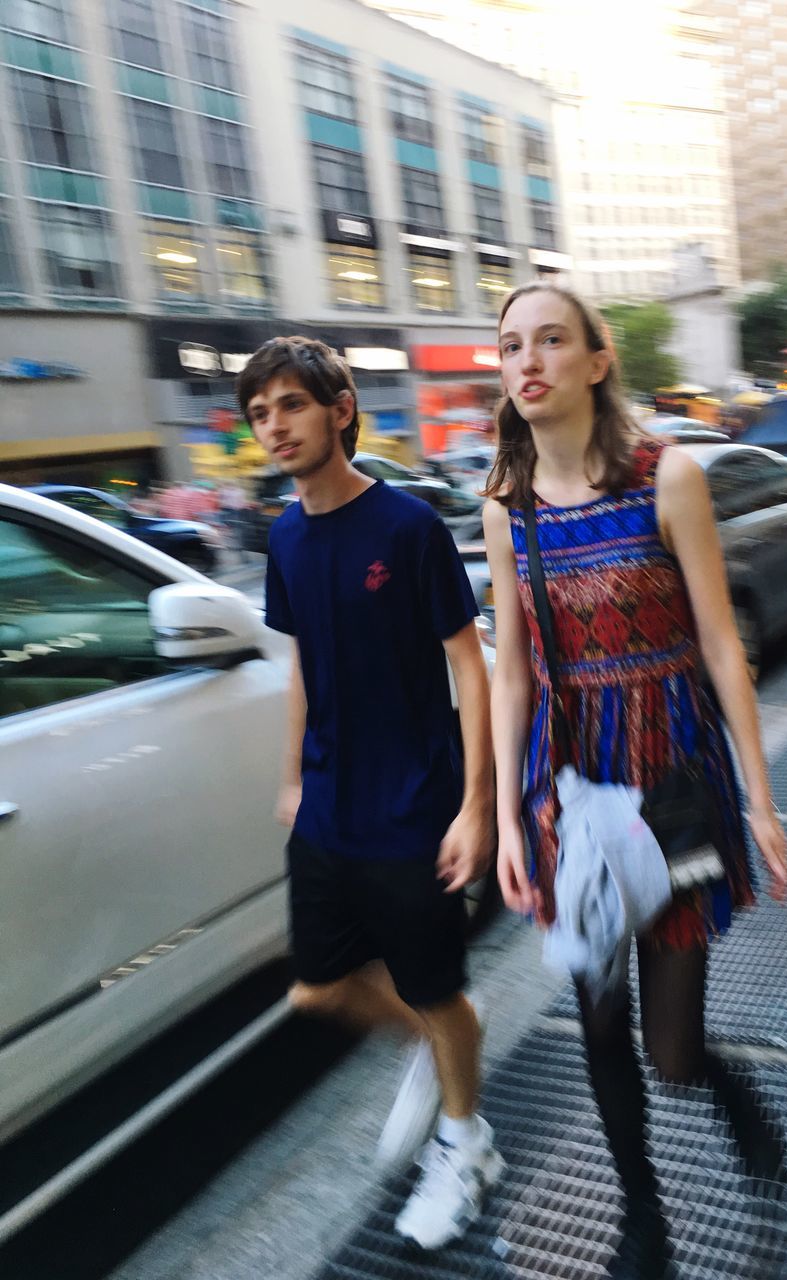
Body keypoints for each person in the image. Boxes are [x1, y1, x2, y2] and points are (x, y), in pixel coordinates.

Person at [482, 283, 787, 1279]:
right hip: (571, 786)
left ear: (596, 359)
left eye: (551, 340)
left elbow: (719, 641)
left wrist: (759, 792)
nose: (528, 360)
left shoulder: (670, 477)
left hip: (675, 782)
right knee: (598, 1010)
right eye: (511, 346)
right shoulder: (506, 499)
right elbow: (512, 669)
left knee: (669, 1048)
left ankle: (721, 1081)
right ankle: (642, 1216)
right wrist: (501, 821)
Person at [237, 337, 503, 1251]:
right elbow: (305, 658)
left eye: (291, 406)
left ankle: (467, 1144)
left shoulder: (407, 528)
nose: (275, 425)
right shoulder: (283, 535)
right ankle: (440, 1047)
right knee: (317, 990)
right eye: (260, 411)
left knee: (439, 988)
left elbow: (468, 665)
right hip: (330, 805)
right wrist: (291, 778)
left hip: (414, 805)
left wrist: (475, 805)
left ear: (340, 409)